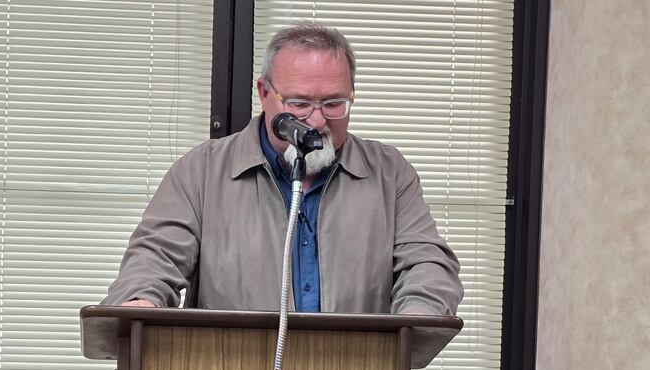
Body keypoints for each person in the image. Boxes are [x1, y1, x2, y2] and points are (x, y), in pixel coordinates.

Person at [103, 23, 463, 315]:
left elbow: (426, 262)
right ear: (264, 93)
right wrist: (141, 300)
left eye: (335, 103)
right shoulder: (201, 172)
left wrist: (418, 313)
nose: (318, 120)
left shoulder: (390, 173)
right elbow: (155, 257)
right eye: (299, 103)